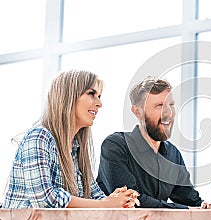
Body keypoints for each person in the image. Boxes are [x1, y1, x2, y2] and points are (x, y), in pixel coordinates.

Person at [4, 70, 139, 208]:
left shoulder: (76, 150)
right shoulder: (39, 137)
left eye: (99, 96)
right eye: (92, 94)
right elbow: (44, 201)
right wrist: (106, 204)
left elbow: (96, 197)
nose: (99, 103)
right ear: (68, 96)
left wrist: (120, 200)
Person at [96, 77, 211, 209]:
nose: (169, 113)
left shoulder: (173, 154)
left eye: (171, 105)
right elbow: (131, 200)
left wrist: (204, 207)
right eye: (159, 106)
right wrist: (188, 209)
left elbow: (190, 200)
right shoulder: (115, 146)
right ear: (137, 112)